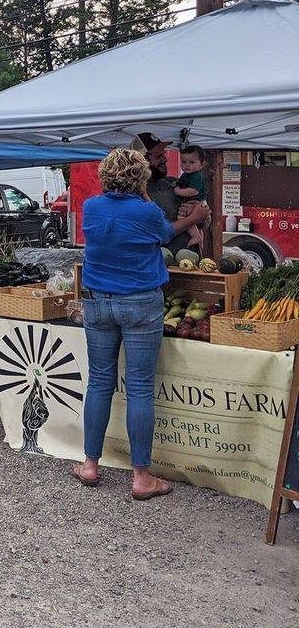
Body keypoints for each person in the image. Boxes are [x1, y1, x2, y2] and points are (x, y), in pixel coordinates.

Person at [72, 148, 207, 500]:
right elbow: (164, 233)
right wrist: (157, 200)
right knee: (140, 388)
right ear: (140, 178)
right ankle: (141, 477)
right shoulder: (147, 211)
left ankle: (89, 464)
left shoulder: (91, 207)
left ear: (105, 176)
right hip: (140, 302)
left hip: (98, 301)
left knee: (99, 381)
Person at [130, 133, 210, 255]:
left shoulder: (173, 183)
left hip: (191, 264)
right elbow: (156, 232)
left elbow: (205, 220)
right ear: (142, 161)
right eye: (158, 156)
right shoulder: (136, 194)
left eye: (164, 154)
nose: (165, 159)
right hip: (165, 266)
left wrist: (200, 213)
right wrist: (192, 219)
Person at [173, 145, 207, 250]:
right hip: (192, 202)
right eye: (184, 162)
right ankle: (198, 235)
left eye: (192, 162)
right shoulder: (187, 175)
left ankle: (196, 236)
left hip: (195, 201)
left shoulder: (197, 176)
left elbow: (193, 191)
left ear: (202, 164)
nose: (187, 165)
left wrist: (178, 191)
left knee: (182, 217)